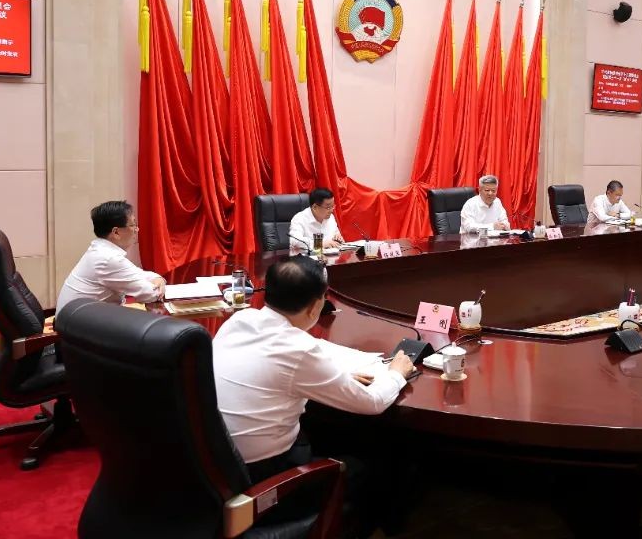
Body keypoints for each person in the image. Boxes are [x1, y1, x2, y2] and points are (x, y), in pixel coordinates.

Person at [212, 256, 414, 532]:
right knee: (371, 465)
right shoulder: (298, 350)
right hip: (263, 479)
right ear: (316, 305)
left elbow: (281, 369)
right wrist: (397, 373)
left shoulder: (239, 320)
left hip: (218, 468)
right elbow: (373, 402)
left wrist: (329, 376)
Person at [56, 200, 165, 315]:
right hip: (79, 323)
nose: (137, 230)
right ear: (116, 232)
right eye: (133, 225)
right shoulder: (108, 259)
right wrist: (158, 282)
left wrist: (158, 278)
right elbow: (150, 294)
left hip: (78, 318)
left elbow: (138, 274)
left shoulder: (101, 250)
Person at [289, 188, 344, 253]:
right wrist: (320, 244)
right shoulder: (300, 218)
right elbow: (294, 241)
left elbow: (336, 234)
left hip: (331, 256)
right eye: (328, 207)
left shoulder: (330, 217)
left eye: (333, 206)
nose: (331, 210)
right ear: (315, 207)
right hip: (308, 258)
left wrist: (338, 238)